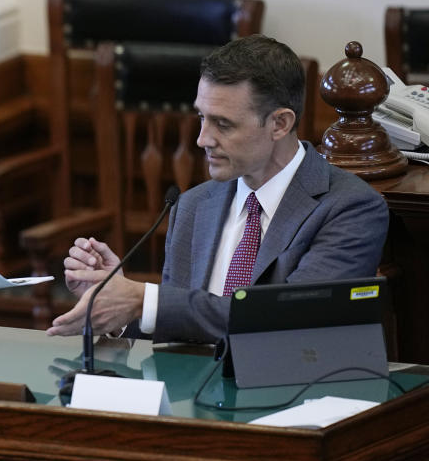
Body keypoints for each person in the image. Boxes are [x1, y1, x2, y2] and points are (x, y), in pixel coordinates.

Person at [47, 34, 389, 345]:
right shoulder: (194, 205)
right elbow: (182, 326)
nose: (202, 139)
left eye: (223, 124)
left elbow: (288, 325)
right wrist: (116, 303)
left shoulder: (349, 207)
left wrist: (142, 301)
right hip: (191, 402)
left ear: (280, 124)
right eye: (201, 118)